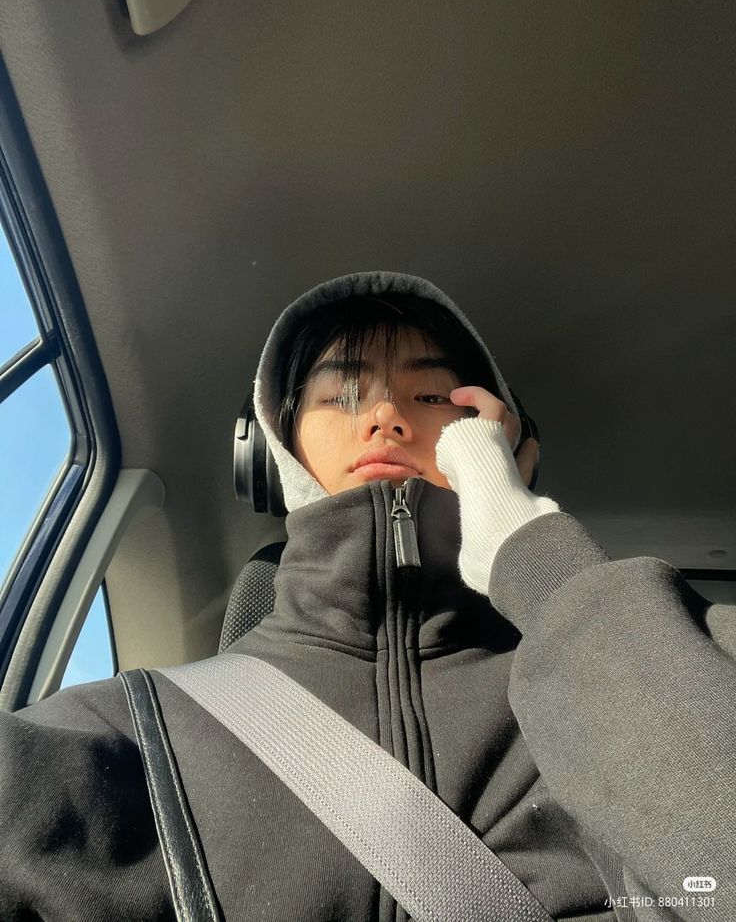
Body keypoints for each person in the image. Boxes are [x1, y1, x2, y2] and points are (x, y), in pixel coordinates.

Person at [0, 271, 733, 922]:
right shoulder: (127, 730)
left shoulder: (626, 671)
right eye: (343, 392)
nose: (385, 413)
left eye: (431, 394)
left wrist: (527, 547)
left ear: (499, 441)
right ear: (273, 446)